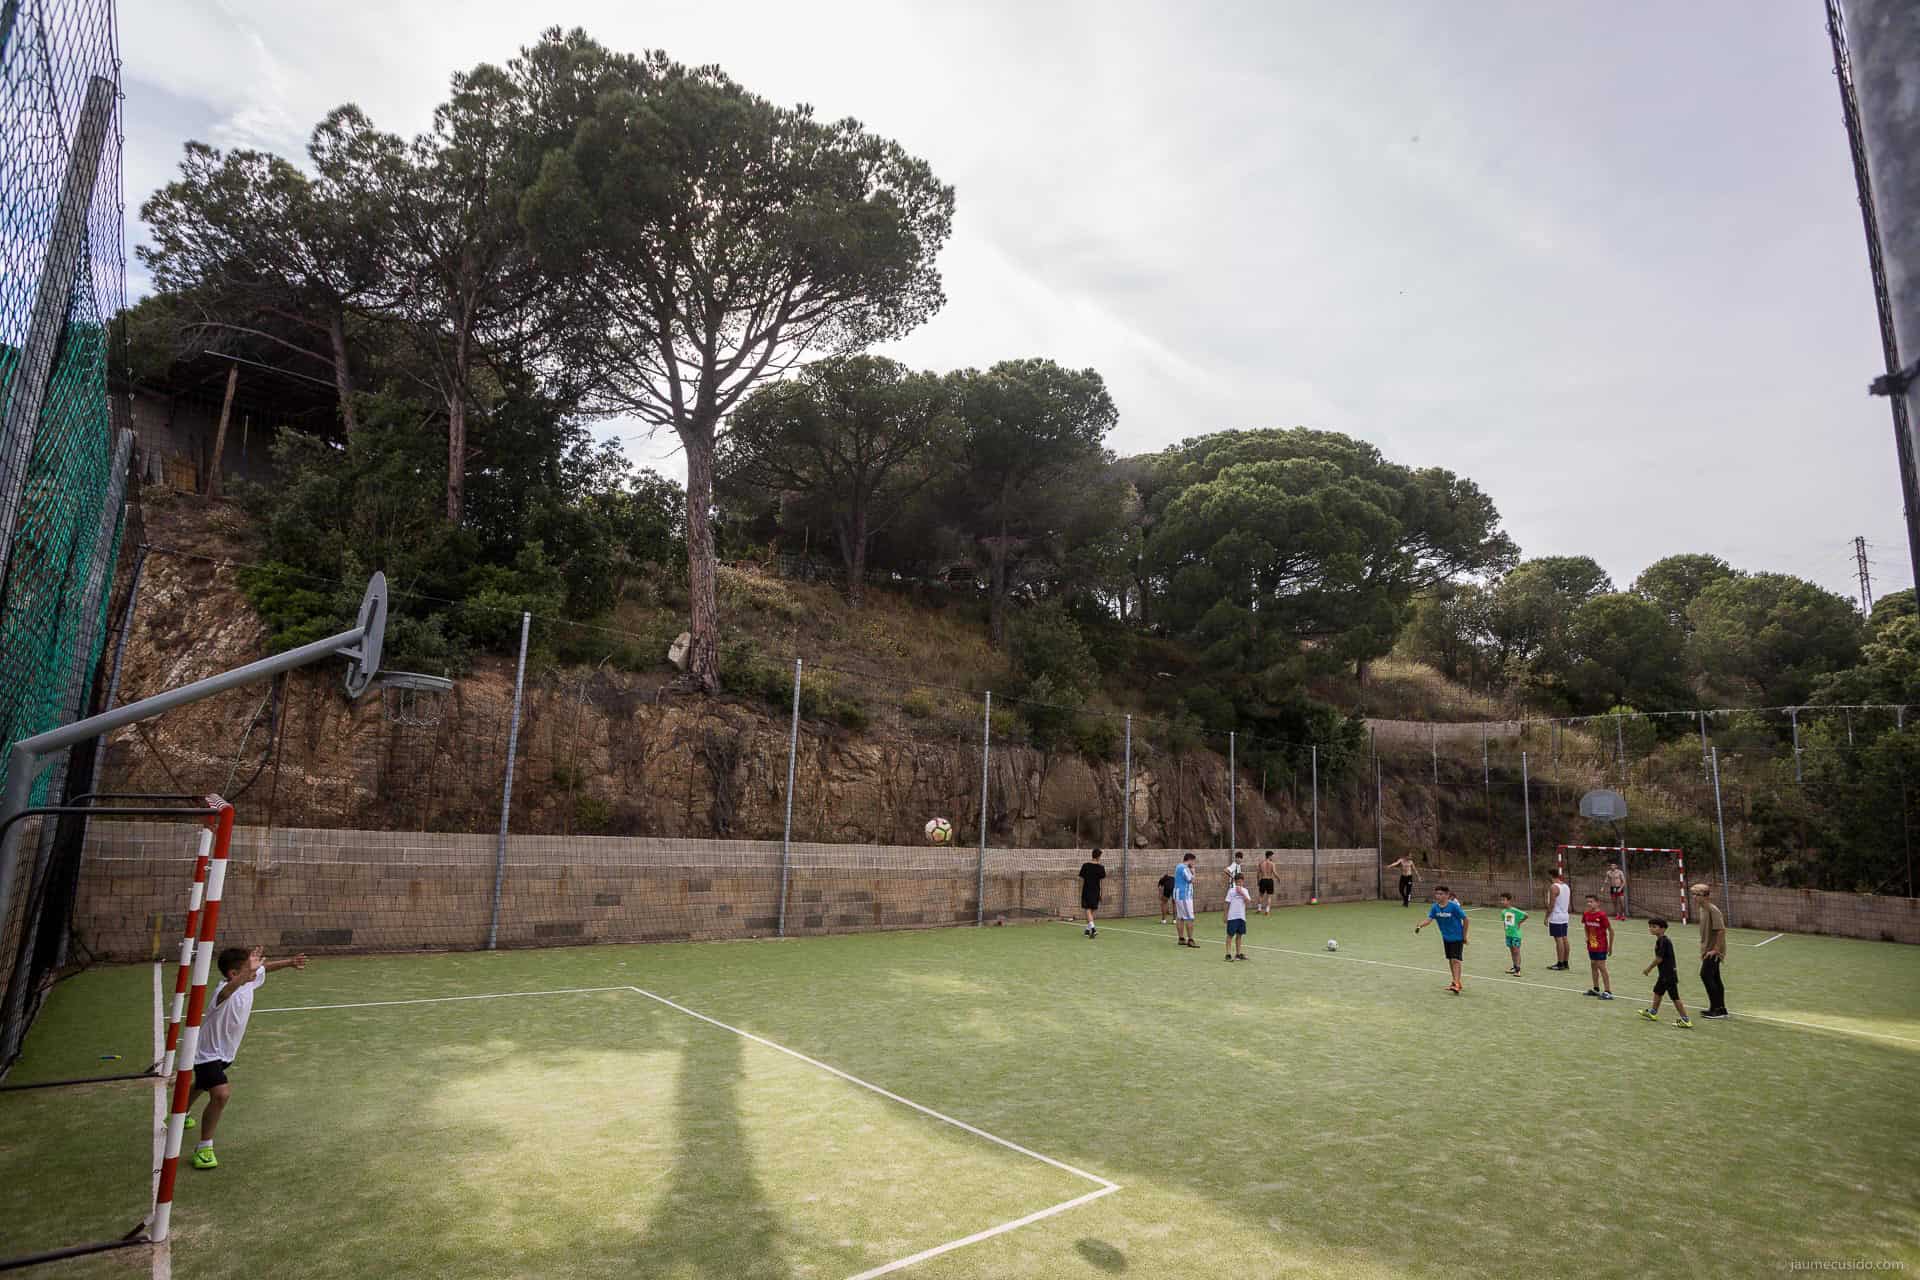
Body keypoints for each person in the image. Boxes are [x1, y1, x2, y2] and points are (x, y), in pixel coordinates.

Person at [186, 945, 308, 1169]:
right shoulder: (222, 992)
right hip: (206, 1053)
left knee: (203, 1085)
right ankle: (204, 1147)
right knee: (221, 1094)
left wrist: (290, 962)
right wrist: (245, 974)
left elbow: (265, 969)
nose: (256, 971)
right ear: (234, 974)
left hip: (226, 1053)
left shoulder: (249, 980)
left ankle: (179, 1113)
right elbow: (227, 992)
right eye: (250, 968)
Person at [1413, 885, 1469, 994]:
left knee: (1455, 960)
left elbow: (1466, 919)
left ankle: (1457, 984)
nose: (1438, 896)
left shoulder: (1453, 907)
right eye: (1437, 894)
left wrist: (1464, 936)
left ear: (1447, 895)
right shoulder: (1435, 907)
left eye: (1441, 894)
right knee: (1450, 959)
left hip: (1457, 937)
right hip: (1446, 937)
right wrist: (1420, 926)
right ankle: (1455, 981)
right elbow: (1429, 919)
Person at [1639, 917, 1693, 1028]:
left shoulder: (1663, 941)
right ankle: (1652, 1012)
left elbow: (1659, 959)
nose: (1651, 929)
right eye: (1650, 926)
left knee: (1674, 997)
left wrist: (1648, 969)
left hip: (1668, 975)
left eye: (1654, 927)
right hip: (1664, 974)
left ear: (1663, 929)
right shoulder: (1661, 940)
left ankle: (1686, 1020)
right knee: (1658, 991)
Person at [1692, 883, 1730, 1019]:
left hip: (1714, 951)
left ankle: (1716, 1009)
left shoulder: (1713, 910)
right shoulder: (1702, 909)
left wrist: (1715, 949)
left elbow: (1721, 930)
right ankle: (1720, 1009)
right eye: (1694, 894)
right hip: (1707, 949)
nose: (1694, 897)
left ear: (1706, 896)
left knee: (1705, 975)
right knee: (1715, 978)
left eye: (1698, 894)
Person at [1581, 894, 1615, 1000]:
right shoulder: (1586, 914)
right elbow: (1586, 927)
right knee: (1593, 965)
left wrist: (1610, 947)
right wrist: (1587, 937)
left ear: (1597, 903)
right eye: (1587, 902)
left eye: (1591, 901)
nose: (1589, 903)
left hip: (1601, 945)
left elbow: (1611, 931)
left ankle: (1608, 991)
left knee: (1601, 966)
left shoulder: (1602, 915)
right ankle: (1596, 989)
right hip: (1591, 945)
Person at [1545, 870, 1573, 970]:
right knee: (1564, 938)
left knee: (1558, 940)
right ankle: (1565, 962)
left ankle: (1560, 963)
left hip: (1556, 916)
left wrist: (1546, 916)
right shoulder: (1566, 886)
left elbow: (1552, 904)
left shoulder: (1554, 887)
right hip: (1564, 915)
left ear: (1551, 876)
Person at [1224, 873, 1253, 961]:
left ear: (1243, 881)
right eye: (1237, 882)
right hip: (1232, 917)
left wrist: (1242, 893)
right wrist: (1225, 915)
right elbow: (1227, 903)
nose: (1239, 883)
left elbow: (1248, 901)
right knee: (1230, 935)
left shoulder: (1245, 890)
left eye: (1241, 881)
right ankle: (1228, 954)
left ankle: (1238, 954)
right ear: (1235, 882)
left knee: (1239, 935)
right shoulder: (1231, 891)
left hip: (1241, 917)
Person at [1078, 848, 1106, 938]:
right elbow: (1102, 883)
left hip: (1087, 891)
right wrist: (1101, 893)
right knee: (1090, 911)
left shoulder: (1086, 866)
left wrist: (1080, 891)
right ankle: (1091, 930)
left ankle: (1089, 929)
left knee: (1089, 911)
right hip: (1095, 891)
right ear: (1098, 856)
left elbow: (1081, 880)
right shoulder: (1100, 868)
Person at [1173, 853, 1198, 948]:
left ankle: (1181, 939)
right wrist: (1193, 871)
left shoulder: (1178, 866)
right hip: (1184, 896)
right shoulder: (1184, 868)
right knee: (1189, 917)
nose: (1194, 863)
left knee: (1180, 917)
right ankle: (1190, 940)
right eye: (1193, 861)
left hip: (1179, 895)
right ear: (1190, 860)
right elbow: (1191, 880)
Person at [1498, 892, 1527, 975]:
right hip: (1508, 935)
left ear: (1509, 901)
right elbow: (1505, 921)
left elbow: (1526, 915)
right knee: (1512, 951)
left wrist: (1519, 923)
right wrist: (1505, 929)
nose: (1502, 902)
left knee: (1516, 951)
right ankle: (1514, 967)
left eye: (1504, 900)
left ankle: (1518, 970)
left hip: (1516, 935)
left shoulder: (1514, 910)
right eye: (1501, 900)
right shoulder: (1503, 912)